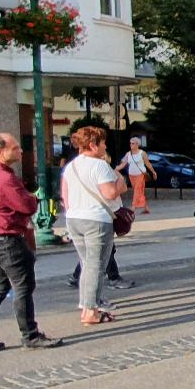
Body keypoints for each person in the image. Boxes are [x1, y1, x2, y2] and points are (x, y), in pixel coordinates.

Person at [0, 132, 61, 352]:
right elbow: (27, 206)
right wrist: (32, 198)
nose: (20, 151)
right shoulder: (4, 178)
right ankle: (30, 335)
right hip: (5, 238)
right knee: (23, 286)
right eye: (15, 148)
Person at [62, 125, 128, 325]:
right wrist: (121, 183)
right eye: (103, 143)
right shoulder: (99, 165)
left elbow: (65, 196)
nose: (105, 146)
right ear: (92, 145)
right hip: (96, 219)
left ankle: (86, 305)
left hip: (74, 218)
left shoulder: (71, 167)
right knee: (96, 266)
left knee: (86, 264)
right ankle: (90, 310)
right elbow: (110, 193)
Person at [117, 137, 156, 214]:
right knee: (139, 191)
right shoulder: (128, 154)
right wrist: (115, 169)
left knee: (137, 191)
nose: (131, 145)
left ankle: (133, 208)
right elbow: (123, 164)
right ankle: (146, 208)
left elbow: (147, 163)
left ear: (137, 144)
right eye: (130, 143)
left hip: (140, 175)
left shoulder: (142, 153)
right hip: (131, 175)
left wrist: (153, 172)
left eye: (133, 143)